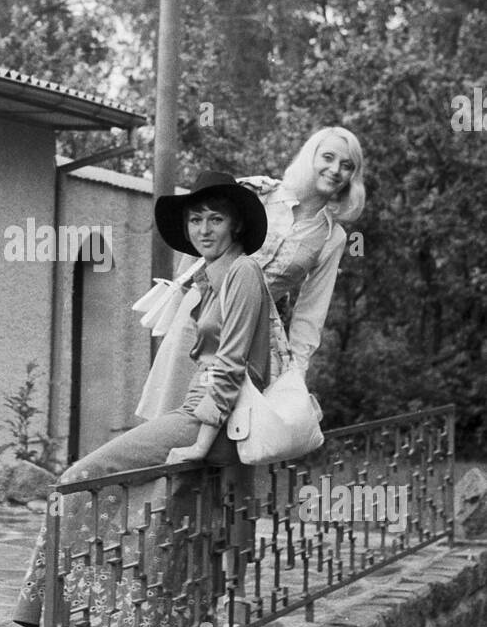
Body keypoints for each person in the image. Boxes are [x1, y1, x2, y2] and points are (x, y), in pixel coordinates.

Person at [12, 172, 271, 627]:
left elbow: (232, 365)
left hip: (212, 418)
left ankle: (58, 619)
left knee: (79, 479)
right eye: (196, 219)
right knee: (171, 525)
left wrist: (199, 443)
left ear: (237, 225)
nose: (204, 229)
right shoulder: (213, 275)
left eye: (216, 218)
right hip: (197, 409)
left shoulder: (242, 273)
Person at [136, 127, 365, 421]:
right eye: (328, 157)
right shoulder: (260, 194)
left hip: (252, 337)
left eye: (347, 166)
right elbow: (199, 240)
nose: (335, 170)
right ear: (311, 157)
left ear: (352, 177)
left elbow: (310, 316)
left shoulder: (333, 237)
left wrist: (294, 376)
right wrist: (184, 299)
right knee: (172, 417)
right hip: (201, 319)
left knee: (229, 431)